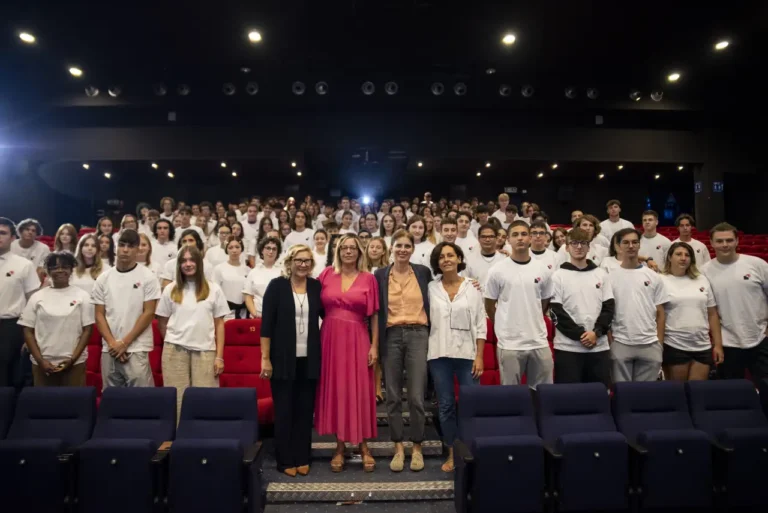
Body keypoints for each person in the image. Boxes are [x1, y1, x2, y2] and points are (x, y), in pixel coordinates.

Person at [316, 234, 380, 473]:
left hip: (358, 337)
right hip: (330, 338)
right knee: (337, 390)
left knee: (360, 390)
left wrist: (374, 346)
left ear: (360, 252)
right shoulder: (325, 275)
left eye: (353, 247)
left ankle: (364, 446)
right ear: (338, 251)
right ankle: (340, 446)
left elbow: (374, 314)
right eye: (344, 247)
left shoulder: (368, 279)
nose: (349, 251)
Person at [260, 245, 322, 477]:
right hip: (282, 358)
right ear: (290, 261)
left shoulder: (316, 286)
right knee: (285, 411)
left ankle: (303, 456)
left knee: (305, 411)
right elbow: (266, 326)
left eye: (307, 260)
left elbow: (329, 315)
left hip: (310, 359)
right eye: (299, 260)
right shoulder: (276, 286)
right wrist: (265, 359)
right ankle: (285, 459)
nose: (303, 264)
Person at [374, 230, 431, 472]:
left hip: (418, 334)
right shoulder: (379, 275)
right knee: (394, 396)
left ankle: (417, 447)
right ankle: (398, 447)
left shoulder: (422, 272)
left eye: (407, 246)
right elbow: (375, 310)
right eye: (399, 245)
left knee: (417, 396)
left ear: (413, 249)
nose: (403, 250)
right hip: (391, 335)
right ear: (391, 248)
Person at [427, 242, 485, 473]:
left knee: (472, 404)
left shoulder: (472, 287)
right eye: (441, 257)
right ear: (437, 262)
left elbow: (481, 323)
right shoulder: (431, 288)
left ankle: (474, 450)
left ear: (459, 258)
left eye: (451, 255)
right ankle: (452, 452)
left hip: (467, 354)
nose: (446, 260)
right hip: (438, 354)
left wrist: (479, 356)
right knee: (446, 406)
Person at [156, 245, 229, 419]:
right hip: (175, 351)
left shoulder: (214, 289)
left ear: (199, 263)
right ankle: (179, 441)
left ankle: (206, 441)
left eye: (191, 260)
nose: (188, 264)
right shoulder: (171, 289)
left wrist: (219, 357)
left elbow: (219, 324)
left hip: (205, 351)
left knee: (206, 401)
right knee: (178, 402)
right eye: (184, 261)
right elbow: (162, 321)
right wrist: (174, 339)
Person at [484, 221, 553, 387]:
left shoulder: (543, 269)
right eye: (515, 235)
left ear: (530, 237)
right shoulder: (497, 270)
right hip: (509, 343)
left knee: (543, 394)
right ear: (508, 239)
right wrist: (502, 324)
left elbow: (545, 301)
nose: (520, 238)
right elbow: (489, 304)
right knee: (510, 396)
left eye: (523, 234)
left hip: (539, 341)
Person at [91, 229, 161, 388]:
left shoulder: (148, 277)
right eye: (122, 245)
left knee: (142, 400)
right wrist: (113, 344)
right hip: (109, 348)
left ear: (137, 249)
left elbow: (149, 313)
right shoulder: (103, 278)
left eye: (130, 246)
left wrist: (124, 343)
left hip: (137, 347)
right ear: (116, 247)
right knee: (111, 399)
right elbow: (99, 315)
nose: (125, 249)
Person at [701, 223, 768, 384]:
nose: (725, 245)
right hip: (727, 343)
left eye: (729, 240)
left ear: (737, 241)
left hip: (761, 339)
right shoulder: (704, 272)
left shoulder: (757, 264)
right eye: (720, 241)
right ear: (711, 243)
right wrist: (717, 344)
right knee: (733, 392)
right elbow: (710, 311)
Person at [549, 228, 615, 387]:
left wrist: (596, 333)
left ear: (589, 246)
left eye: (583, 243)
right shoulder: (558, 276)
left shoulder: (601, 274)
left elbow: (608, 308)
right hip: (567, 348)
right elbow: (556, 312)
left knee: (599, 396)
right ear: (566, 247)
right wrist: (581, 335)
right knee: (569, 398)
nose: (579, 247)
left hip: (598, 347)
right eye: (574, 243)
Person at [19, 251, 93, 386]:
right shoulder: (37, 297)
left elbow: (87, 330)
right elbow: (27, 330)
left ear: (71, 270)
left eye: (64, 267)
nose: (60, 270)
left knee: (74, 404)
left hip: (75, 363)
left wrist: (72, 360)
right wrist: (40, 361)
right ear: (48, 271)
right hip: (42, 364)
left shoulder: (83, 296)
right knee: (44, 405)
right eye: (55, 267)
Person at [607, 228, 668, 382]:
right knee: (622, 395)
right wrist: (611, 342)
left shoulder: (654, 277)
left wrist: (659, 343)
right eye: (626, 242)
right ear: (618, 246)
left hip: (650, 344)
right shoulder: (610, 277)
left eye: (635, 242)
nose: (631, 246)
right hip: (620, 343)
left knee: (646, 397)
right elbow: (606, 313)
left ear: (640, 245)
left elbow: (660, 313)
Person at [661, 242, 723, 381]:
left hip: (702, 345)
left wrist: (718, 345)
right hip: (674, 344)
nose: (683, 258)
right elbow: (657, 315)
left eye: (687, 255)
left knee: (698, 393)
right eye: (678, 254)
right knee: (678, 394)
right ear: (670, 257)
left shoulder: (701, 280)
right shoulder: (661, 280)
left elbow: (712, 313)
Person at [0, 217, 40, 387]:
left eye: (2, 233)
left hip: (11, 327)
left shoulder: (23, 265)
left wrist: (30, 333)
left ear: (12, 238)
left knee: (9, 379)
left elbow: (34, 300)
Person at [243, 237, 283, 318]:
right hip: (258, 316)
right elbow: (248, 296)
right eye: (268, 248)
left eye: (274, 249)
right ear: (262, 250)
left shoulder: (283, 272)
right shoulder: (253, 272)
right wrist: (255, 314)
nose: (271, 251)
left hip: (279, 317)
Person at [211, 237, 250, 319]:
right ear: (226, 250)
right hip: (226, 312)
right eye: (230, 247)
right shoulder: (219, 269)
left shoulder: (248, 270)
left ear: (241, 249)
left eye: (237, 247)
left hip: (244, 312)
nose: (234, 250)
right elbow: (214, 292)